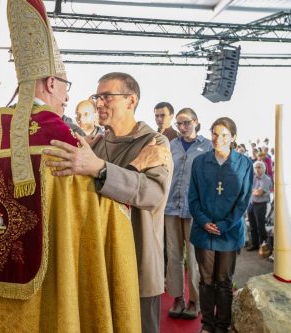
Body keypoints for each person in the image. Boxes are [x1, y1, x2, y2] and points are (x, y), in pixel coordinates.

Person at [0, 2, 141, 332]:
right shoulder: (58, 132)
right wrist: (124, 188)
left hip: (3, 256)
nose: (68, 98)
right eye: (66, 87)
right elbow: (86, 206)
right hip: (55, 268)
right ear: (52, 83)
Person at [45, 72, 173, 333]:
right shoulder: (97, 144)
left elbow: (153, 194)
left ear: (130, 100)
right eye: (97, 97)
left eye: (106, 97)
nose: (98, 104)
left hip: (138, 258)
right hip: (99, 257)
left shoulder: (155, 142)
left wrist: (101, 169)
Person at [188, 117, 253, 333]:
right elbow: (193, 197)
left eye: (224, 134)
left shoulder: (245, 164)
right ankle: (207, 324)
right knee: (206, 280)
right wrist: (205, 221)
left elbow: (243, 200)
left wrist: (225, 224)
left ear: (233, 137)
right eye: (215, 134)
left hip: (229, 232)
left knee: (224, 281)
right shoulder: (199, 162)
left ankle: (222, 325)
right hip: (203, 231)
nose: (218, 139)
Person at [164, 107, 212, 320]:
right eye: (179, 124)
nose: (182, 128)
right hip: (170, 207)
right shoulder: (170, 145)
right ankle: (177, 297)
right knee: (174, 255)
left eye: (186, 123)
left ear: (196, 121)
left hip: (194, 210)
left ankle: (195, 301)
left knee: (192, 257)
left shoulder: (207, 146)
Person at [246, 160, 272, 253]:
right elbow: (248, 189)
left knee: (260, 226)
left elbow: (259, 193)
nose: (257, 169)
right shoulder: (253, 178)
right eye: (255, 168)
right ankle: (255, 244)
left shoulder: (267, 179)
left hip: (261, 205)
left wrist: (253, 191)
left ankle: (263, 246)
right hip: (251, 204)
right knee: (252, 226)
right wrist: (254, 191)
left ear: (264, 169)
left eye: (259, 167)